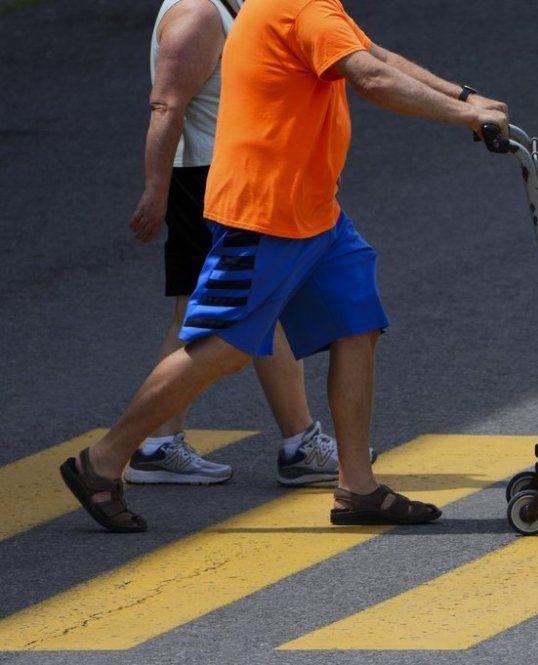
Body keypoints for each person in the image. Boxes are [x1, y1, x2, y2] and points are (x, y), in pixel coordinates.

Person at [60, 0, 509, 532]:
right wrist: (465, 115)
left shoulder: (313, 6)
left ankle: (357, 488)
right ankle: (102, 461)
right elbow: (367, 76)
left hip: (316, 213)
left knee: (357, 325)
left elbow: (371, 53)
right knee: (224, 345)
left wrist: (463, 94)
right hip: (264, 213)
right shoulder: (295, 7)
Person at [126, 0, 369, 488]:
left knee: (242, 308)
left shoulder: (237, 7)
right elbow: (166, 103)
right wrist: (156, 189)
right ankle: (153, 444)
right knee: (227, 312)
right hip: (208, 180)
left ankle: (289, 441)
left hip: (232, 176)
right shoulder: (197, 13)